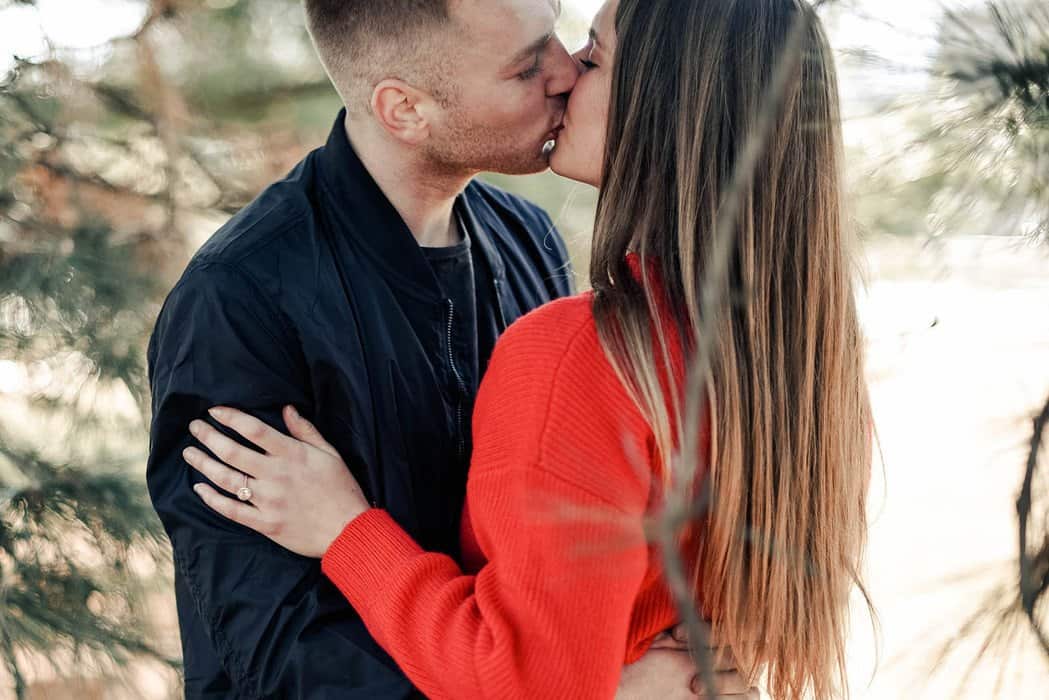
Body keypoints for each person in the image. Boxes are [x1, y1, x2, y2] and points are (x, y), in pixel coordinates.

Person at [186, 0, 872, 698]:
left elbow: (535, 672)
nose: (565, 71)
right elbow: (263, 641)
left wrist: (349, 533)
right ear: (403, 108)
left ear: (666, 111)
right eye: (528, 63)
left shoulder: (558, 307)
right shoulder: (792, 334)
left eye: (586, 53)